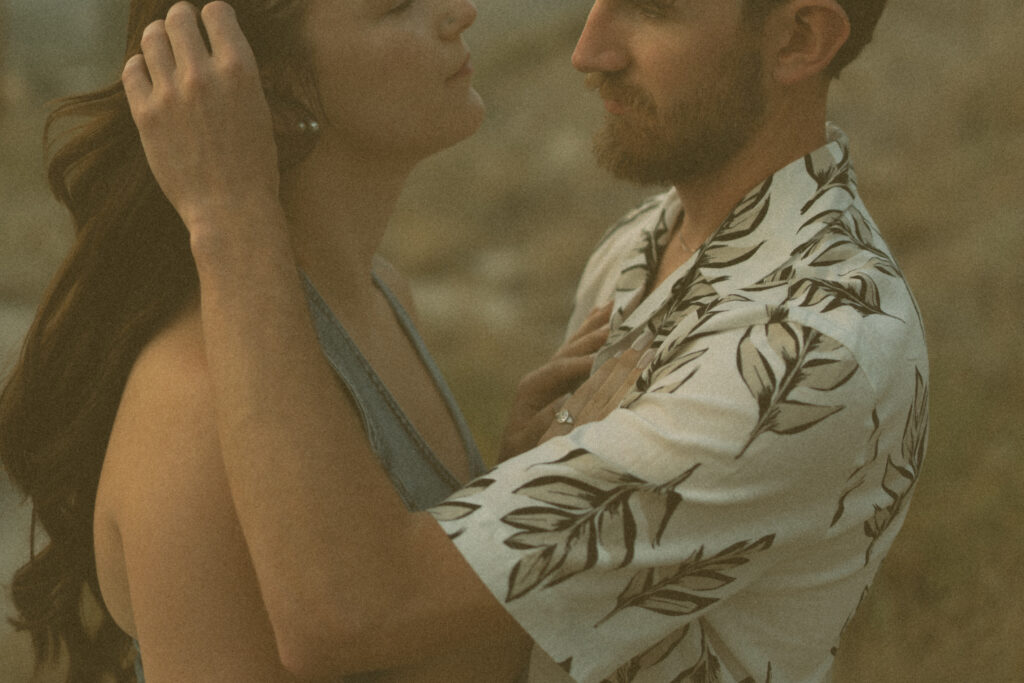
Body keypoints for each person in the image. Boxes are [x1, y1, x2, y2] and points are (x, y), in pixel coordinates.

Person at [125, 0, 928, 681]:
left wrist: (229, 214)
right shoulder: (648, 239)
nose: (589, 49)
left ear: (798, 41)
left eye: (651, 8)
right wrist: (529, 480)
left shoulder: (804, 349)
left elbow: (356, 609)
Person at [0, 0, 629, 680]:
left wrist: (510, 486)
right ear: (262, 87)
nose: (460, 12)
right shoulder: (195, 403)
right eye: (396, 7)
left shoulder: (382, 294)